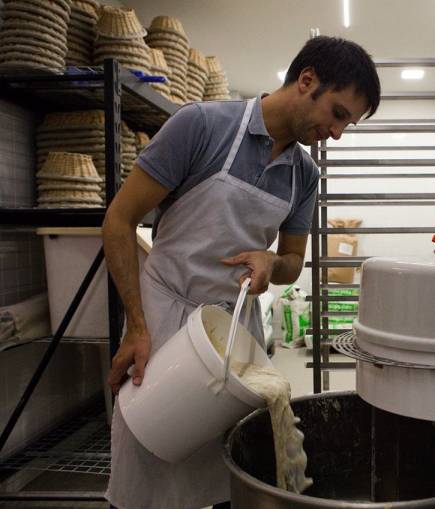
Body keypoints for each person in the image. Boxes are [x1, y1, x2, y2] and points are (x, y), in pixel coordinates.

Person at [102, 36, 380, 509]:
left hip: (233, 332)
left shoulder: (304, 175)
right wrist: (136, 326)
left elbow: (293, 262)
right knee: (149, 451)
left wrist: (273, 263)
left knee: (230, 462)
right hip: (166, 319)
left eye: (347, 124)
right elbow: (119, 221)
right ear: (306, 80)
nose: (337, 133)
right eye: (337, 114)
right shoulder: (202, 126)